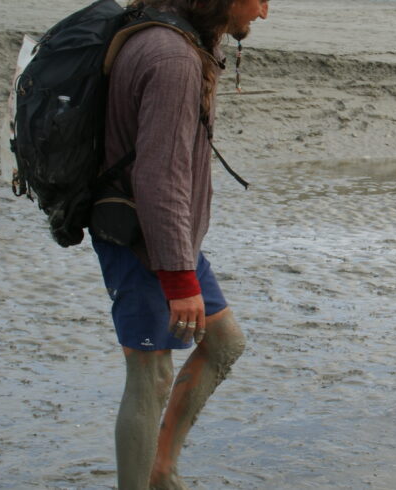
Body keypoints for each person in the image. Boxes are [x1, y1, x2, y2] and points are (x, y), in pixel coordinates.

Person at [92, 0, 268, 487]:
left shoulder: (173, 37)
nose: (264, 12)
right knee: (149, 376)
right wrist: (178, 277)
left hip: (170, 238)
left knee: (225, 342)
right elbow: (158, 176)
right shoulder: (171, 58)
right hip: (143, 239)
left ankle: (161, 470)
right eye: (259, 0)